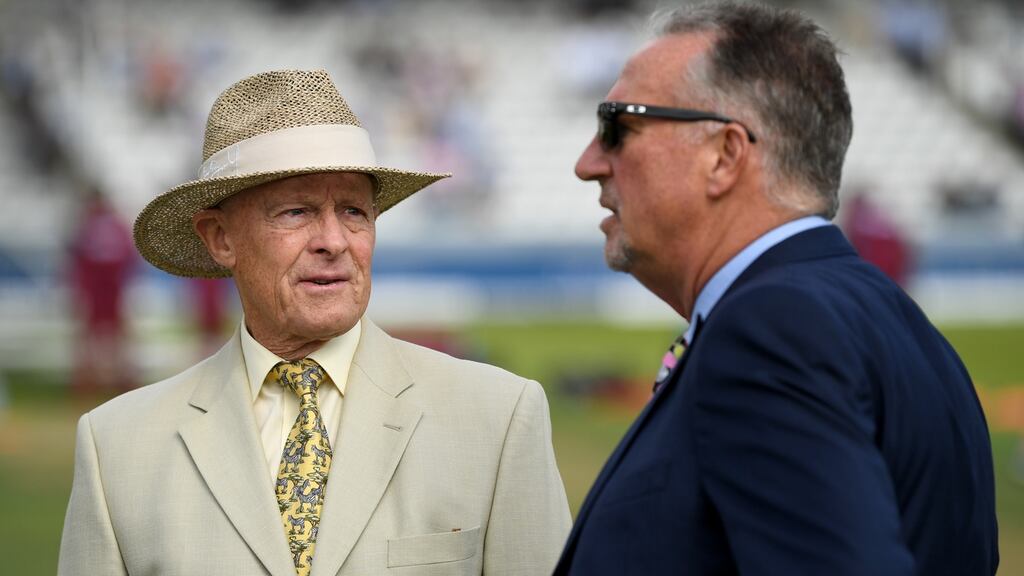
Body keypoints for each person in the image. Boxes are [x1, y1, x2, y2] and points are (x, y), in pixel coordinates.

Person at [59, 69, 571, 576]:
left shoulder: (498, 419)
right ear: (220, 239)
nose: (334, 240)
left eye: (353, 211)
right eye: (296, 212)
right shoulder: (117, 449)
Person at [555, 3, 998, 575]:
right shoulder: (900, 328)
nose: (587, 163)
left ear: (725, 155)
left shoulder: (771, 328)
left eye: (619, 125)